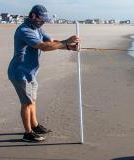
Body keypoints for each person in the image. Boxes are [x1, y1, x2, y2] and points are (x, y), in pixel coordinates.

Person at [8, 4, 80, 142]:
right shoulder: (24, 30)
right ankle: (28, 133)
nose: (43, 22)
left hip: (30, 72)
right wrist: (66, 42)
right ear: (33, 15)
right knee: (26, 103)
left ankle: (35, 126)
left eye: (44, 20)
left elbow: (51, 42)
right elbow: (43, 47)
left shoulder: (38, 29)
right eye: (41, 19)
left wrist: (68, 47)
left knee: (32, 101)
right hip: (20, 72)